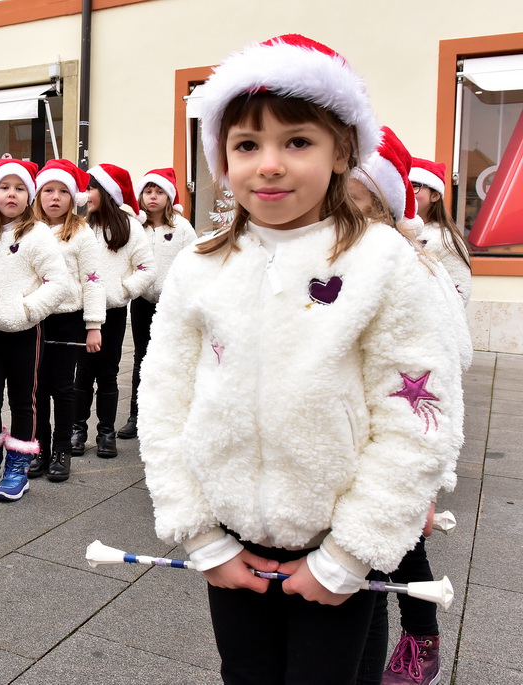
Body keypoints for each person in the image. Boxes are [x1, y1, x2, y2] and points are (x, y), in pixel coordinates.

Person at [137, 35, 465, 685]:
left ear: (342, 149)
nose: (269, 165)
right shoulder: (200, 267)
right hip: (231, 544)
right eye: (247, 145)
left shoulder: (382, 263)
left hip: (335, 542)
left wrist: (349, 554)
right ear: (221, 157)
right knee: (246, 674)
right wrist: (201, 535)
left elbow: (417, 417)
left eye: (297, 142)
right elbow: (164, 399)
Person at [349, 129, 471, 685]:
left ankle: (421, 640)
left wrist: (427, 483)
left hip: (391, 447)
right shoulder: (338, 254)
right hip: (346, 447)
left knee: (395, 554)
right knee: (368, 572)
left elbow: (445, 372)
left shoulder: (412, 265)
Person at [0, 157, 70, 502]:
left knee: (24, 400)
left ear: (29, 195)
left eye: (20, 188)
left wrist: (27, 310)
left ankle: (17, 468)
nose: (12, 194)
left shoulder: (38, 235)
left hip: (24, 332)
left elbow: (58, 283)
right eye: (5, 187)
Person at [70, 164, 154, 459]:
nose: (85, 194)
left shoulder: (129, 227)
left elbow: (147, 270)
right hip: (82, 312)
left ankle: (106, 431)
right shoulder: (81, 226)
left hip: (114, 313)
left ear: (106, 193)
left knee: (108, 373)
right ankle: (76, 429)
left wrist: (121, 291)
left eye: (91, 187)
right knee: (81, 375)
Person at [29, 159, 104, 482]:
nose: (55, 197)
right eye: (48, 190)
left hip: (67, 319)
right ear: (39, 195)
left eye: (63, 191)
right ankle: (40, 448)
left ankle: (62, 450)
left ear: (73, 197)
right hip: (34, 319)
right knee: (36, 388)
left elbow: (93, 279)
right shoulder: (29, 230)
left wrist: (94, 325)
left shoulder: (81, 233)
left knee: (62, 386)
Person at [117, 168, 195, 440]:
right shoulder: (137, 227)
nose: (153, 197)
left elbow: (193, 262)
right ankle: (136, 415)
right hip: (142, 300)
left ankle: (169, 415)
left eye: (158, 191)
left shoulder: (182, 228)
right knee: (142, 357)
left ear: (169, 196)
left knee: (171, 358)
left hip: (172, 304)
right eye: (148, 191)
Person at [410, 157, 472, 304]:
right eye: (404, 185)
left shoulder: (447, 240)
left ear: (435, 195)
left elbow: (461, 294)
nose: (408, 191)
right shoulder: (388, 231)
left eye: (414, 185)